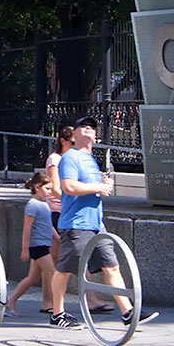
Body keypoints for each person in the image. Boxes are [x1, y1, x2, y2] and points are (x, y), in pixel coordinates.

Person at [48, 116, 158, 329]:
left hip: (96, 224)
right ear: (75, 133)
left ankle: (127, 311)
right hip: (76, 224)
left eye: (92, 127)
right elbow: (69, 187)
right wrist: (98, 188)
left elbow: (89, 188)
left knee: (111, 265)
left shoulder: (91, 160)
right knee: (64, 269)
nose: (88, 129)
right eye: (84, 126)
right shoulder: (70, 158)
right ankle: (57, 314)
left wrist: (102, 184)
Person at [47, 124, 110, 315]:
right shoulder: (58, 160)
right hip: (63, 213)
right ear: (63, 140)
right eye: (69, 139)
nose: (72, 143)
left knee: (77, 263)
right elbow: (60, 189)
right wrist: (91, 189)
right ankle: (52, 306)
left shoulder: (85, 159)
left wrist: (99, 186)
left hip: (88, 218)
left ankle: (123, 309)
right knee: (60, 264)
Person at [5, 172, 55, 317]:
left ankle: (10, 302)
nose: (50, 192)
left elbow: (48, 225)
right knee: (52, 273)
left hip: (43, 244)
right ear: (38, 187)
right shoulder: (32, 205)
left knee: (33, 278)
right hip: (37, 246)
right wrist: (25, 250)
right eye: (48, 189)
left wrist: (57, 238)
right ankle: (56, 306)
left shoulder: (43, 205)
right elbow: (27, 228)